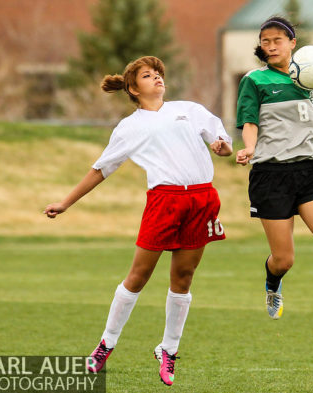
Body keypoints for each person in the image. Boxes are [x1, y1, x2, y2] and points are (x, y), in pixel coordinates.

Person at [43, 56, 233, 386]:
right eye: (148, 75)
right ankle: (106, 345)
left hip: (201, 199)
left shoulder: (189, 109)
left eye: (158, 73)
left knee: (184, 277)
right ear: (133, 88)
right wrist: (65, 203)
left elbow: (223, 143)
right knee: (138, 276)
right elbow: (100, 169)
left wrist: (222, 147)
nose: (157, 78)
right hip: (164, 203)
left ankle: (169, 350)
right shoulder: (129, 127)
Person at [235, 16, 313, 351]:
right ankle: (273, 281)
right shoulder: (255, 80)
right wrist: (248, 147)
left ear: (292, 43)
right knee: (284, 259)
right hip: (270, 175)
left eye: (277, 40)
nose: (270, 46)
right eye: (265, 41)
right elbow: (249, 121)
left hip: (308, 173)